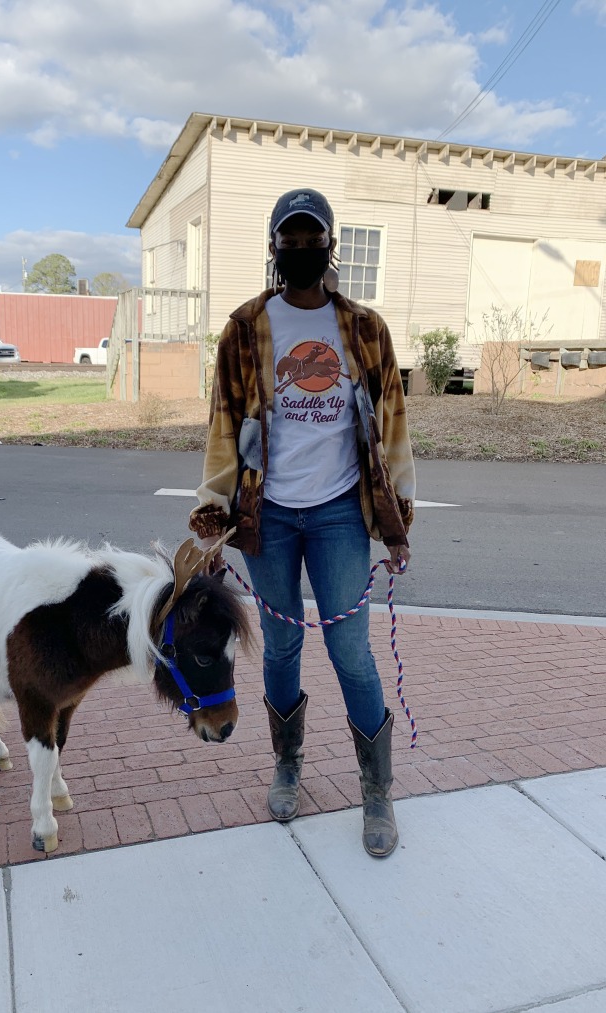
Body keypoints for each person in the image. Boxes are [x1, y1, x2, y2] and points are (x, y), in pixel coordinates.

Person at [188, 188, 415, 858]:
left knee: (352, 653)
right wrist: (211, 517)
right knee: (282, 649)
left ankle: (377, 791)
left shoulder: (365, 330)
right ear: (273, 248)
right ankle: (288, 763)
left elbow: (394, 427)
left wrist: (398, 520)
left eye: (311, 238)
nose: (300, 248)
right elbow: (224, 426)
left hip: (342, 511)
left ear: (330, 246)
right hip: (270, 515)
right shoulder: (245, 328)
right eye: (289, 238)